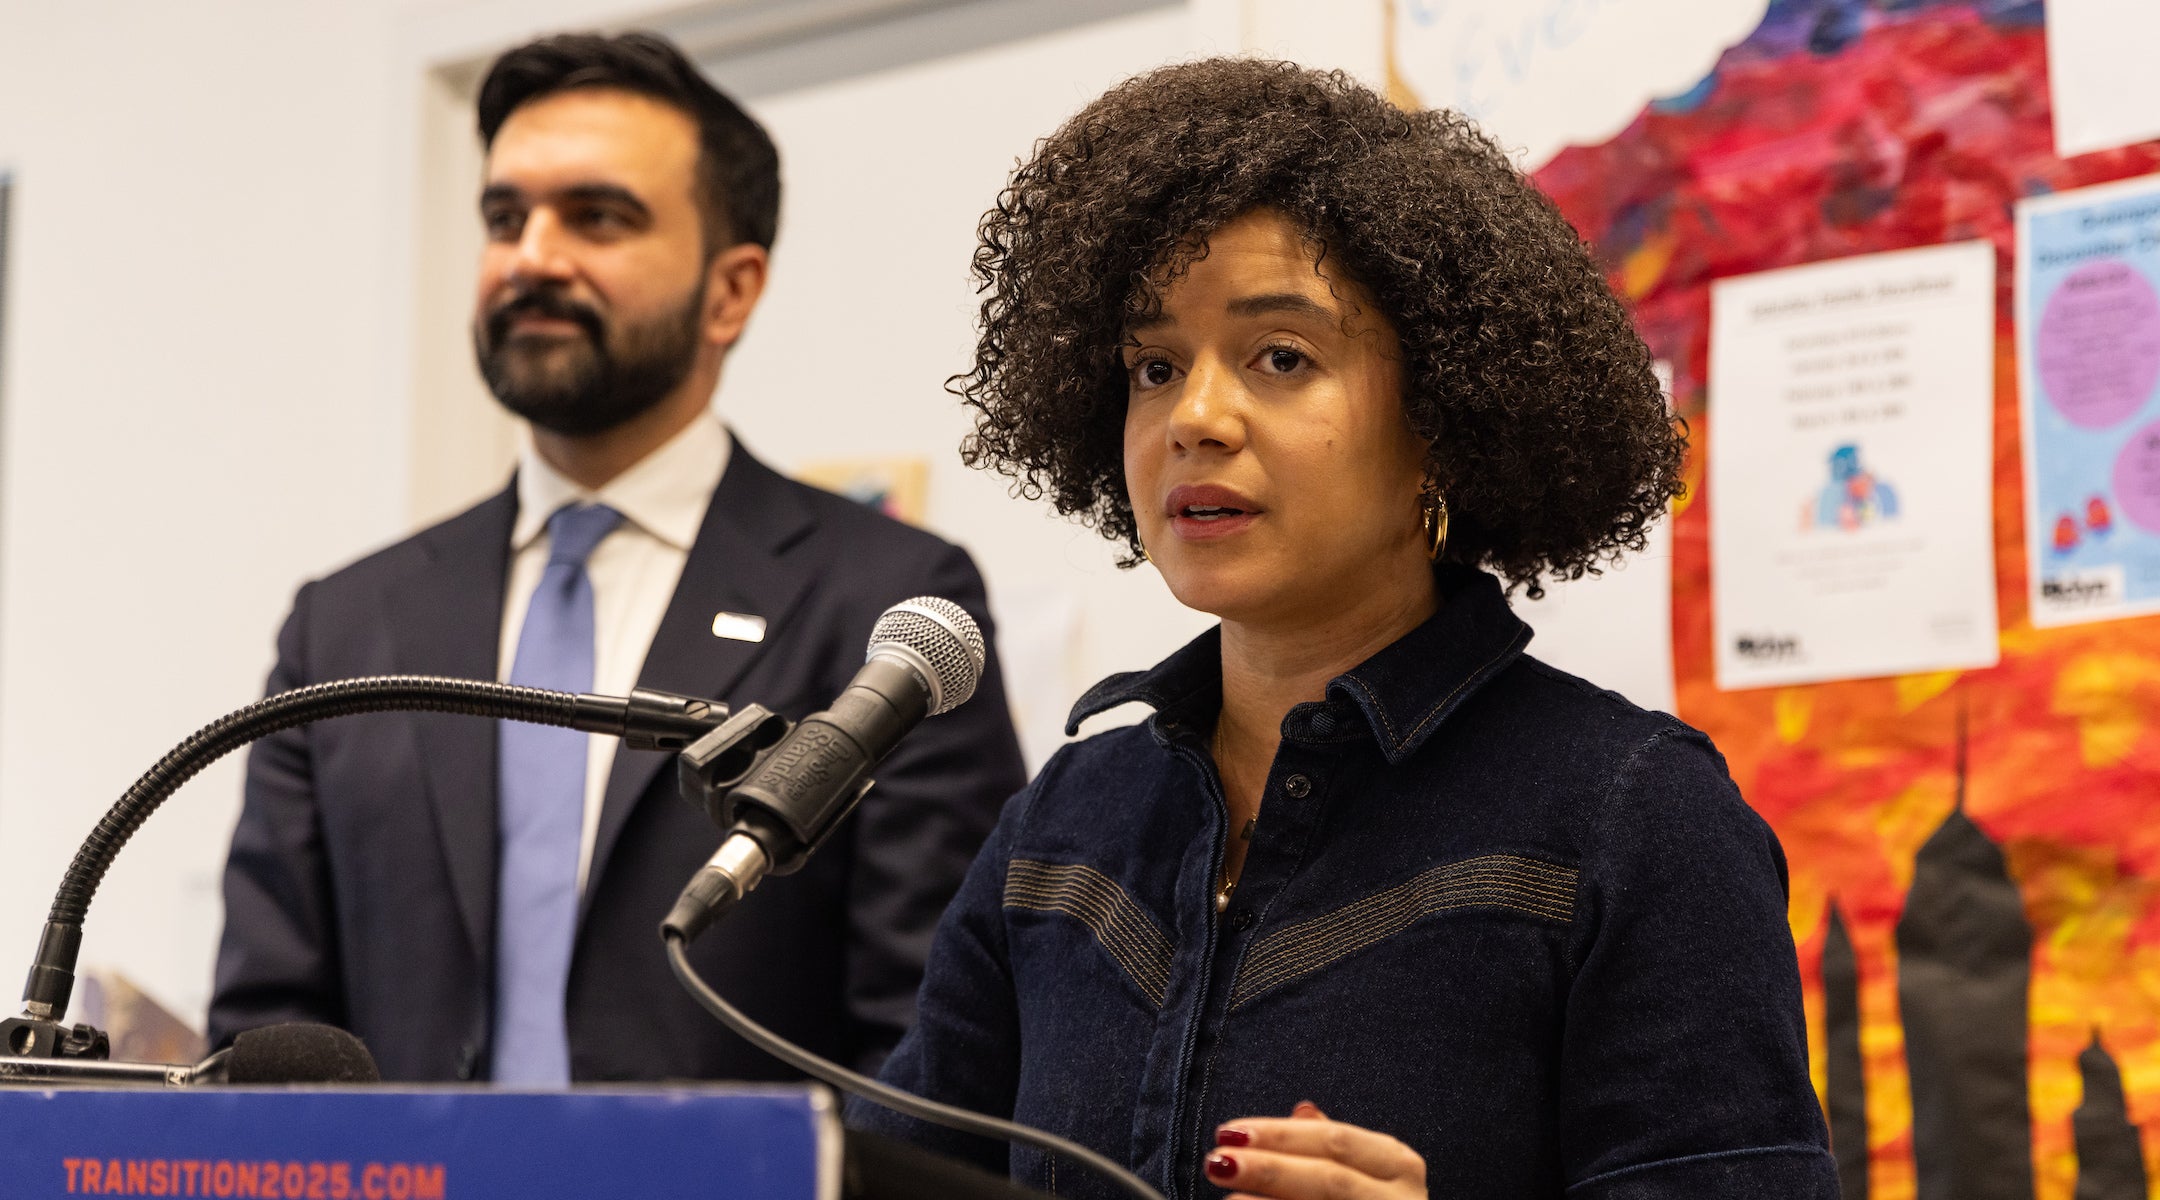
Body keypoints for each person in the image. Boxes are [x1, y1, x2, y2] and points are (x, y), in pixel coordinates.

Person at [851, 59, 1836, 1199]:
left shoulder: (1634, 817)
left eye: (1282, 358)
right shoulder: (1062, 832)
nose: (1194, 418)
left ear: (1443, 419)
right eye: (1154, 367)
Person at [209, 32, 1026, 1085]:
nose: (533, 257)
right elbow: (265, 1041)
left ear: (731, 290)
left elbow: (935, 1048)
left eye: (597, 217)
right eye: (505, 218)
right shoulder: (346, 625)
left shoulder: (883, 604)